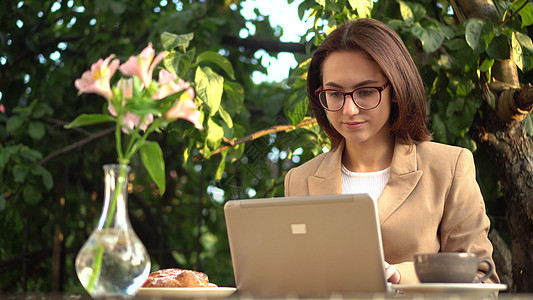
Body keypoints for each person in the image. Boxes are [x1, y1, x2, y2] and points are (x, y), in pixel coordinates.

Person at [284, 18, 499, 284]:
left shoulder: (448, 166)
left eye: (365, 92)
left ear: (395, 90)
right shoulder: (300, 180)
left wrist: (402, 275)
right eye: (335, 94)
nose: (349, 110)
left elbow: (483, 281)